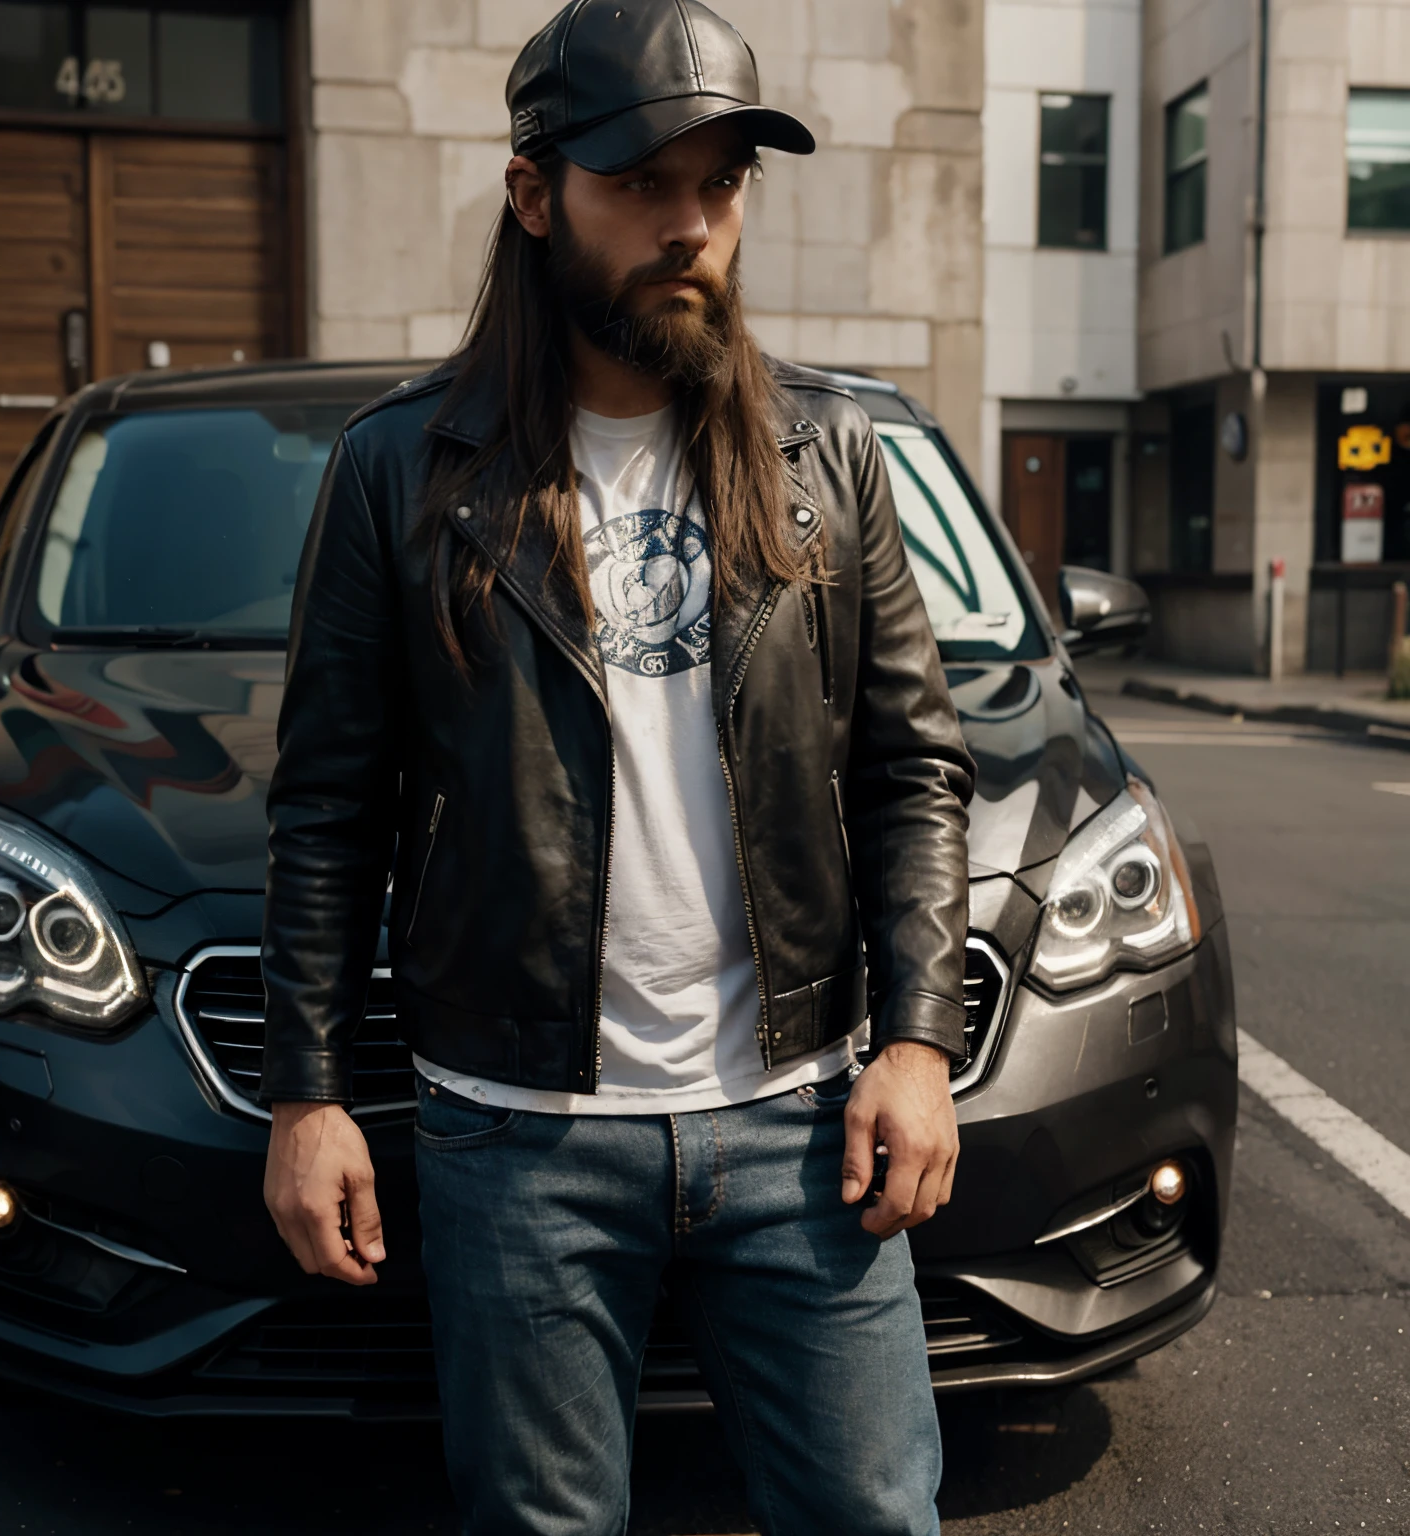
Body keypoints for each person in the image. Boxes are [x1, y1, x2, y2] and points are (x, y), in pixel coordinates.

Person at [258, 2, 976, 1531]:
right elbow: (327, 808)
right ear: (535, 195)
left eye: (719, 186)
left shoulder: (828, 459)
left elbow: (913, 769)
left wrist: (918, 1042)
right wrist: (307, 1095)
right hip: (514, 1139)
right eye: (645, 182)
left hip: (802, 1120)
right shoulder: (403, 470)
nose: (692, 226)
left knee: (872, 1513)